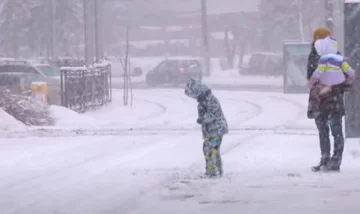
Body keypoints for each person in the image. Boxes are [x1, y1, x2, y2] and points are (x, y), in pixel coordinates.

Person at [306, 28, 356, 172]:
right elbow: (310, 75)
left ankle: (335, 160)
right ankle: (326, 158)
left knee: (335, 129)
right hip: (321, 99)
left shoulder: (334, 56)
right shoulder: (315, 55)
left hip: (332, 98)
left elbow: (346, 77)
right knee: (324, 130)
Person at [184, 78, 228, 177]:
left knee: (208, 149)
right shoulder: (203, 101)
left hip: (216, 129)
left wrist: (203, 119)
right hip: (213, 130)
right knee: (213, 150)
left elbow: (212, 114)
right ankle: (217, 169)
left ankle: (212, 170)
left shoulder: (211, 100)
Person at [307, 36, 355, 119]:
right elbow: (348, 69)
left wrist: (312, 80)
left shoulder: (324, 59)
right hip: (339, 81)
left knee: (315, 93)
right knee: (338, 97)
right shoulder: (339, 59)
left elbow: (319, 71)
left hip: (326, 81)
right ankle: (339, 112)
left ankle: (313, 110)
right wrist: (353, 76)